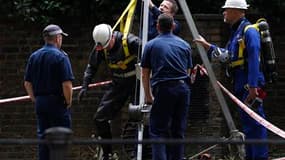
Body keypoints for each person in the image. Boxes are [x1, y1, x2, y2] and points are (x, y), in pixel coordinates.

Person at [194, 0, 268, 159]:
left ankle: (260, 157)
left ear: (237, 10)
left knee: (256, 124)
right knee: (248, 125)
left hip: (250, 85)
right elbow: (228, 56)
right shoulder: (236, 33)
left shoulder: (249, 31)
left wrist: (253, 86)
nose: (223, 13)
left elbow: (255, 58)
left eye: (226, 10)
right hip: (242, 84)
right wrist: (208, 46)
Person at [77, 23, 141, 160]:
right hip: (118, 83)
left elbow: (149, 59)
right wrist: (84, 86)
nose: (105, 49)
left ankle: (138, 152)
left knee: (139, 117)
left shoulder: (132, 42)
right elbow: (91, 67)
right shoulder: (101, 46)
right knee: (100, 118)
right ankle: (108, 153)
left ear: (112, 36)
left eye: (107, 46)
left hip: (137, 83)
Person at [141, 13, 192, 160]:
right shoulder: (185, 45)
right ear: (173, 26)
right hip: (183, 90)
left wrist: (148, 96)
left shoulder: (151, 45)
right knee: (178, 132)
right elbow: (187, 71)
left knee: (157, 131)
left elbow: (145, 73)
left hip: (164, 89)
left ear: (157, 26)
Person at [24, 24, 74, 160]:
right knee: (61, 139)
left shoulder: (34, 56)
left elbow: (27, 83)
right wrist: (68, 101)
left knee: (43, 139)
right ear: (58, 38)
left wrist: (35, 99)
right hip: (57, 102)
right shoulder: (61, 57)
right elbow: (67, 84)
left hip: (40, 102)